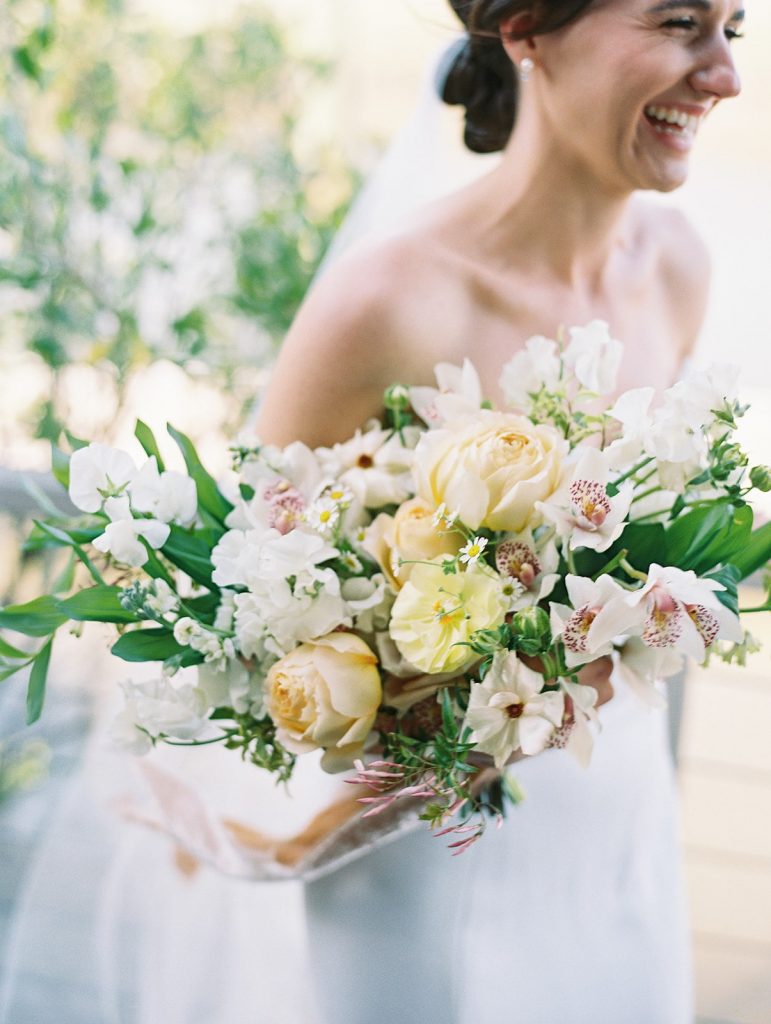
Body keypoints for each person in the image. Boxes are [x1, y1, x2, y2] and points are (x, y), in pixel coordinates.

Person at [254, 1, 745, 1022]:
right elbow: (251, 614)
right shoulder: (385, 304)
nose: (724, 74)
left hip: (616, 844)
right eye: (681, 21)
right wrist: (443, 703)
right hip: (427, 860)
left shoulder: (679, 272)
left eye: (735, 28)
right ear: (527, 28)